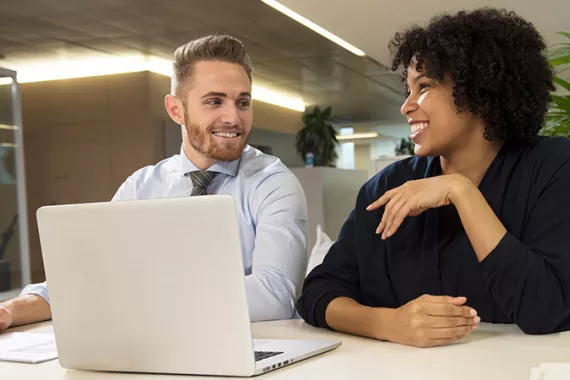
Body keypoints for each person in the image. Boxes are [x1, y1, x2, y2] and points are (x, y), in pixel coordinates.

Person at [297, 8, 570, 348]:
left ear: (478, 90)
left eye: (424, 86)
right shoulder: (386, 187)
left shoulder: (553, 167)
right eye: (407, 89)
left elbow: (548, 310)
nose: (406, 106)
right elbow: (318, 294)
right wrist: (387, 323)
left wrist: (461, 191)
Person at [0, 35, 308, 332]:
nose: (233, 117)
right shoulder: (141, 187)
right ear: (176, 109)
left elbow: (275, 294)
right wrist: (11, 310)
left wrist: (140, 299)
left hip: (251, 348)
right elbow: (86, 276)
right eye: (215, 101)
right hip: (151, 345)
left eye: (242, 102)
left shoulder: (273, 183)